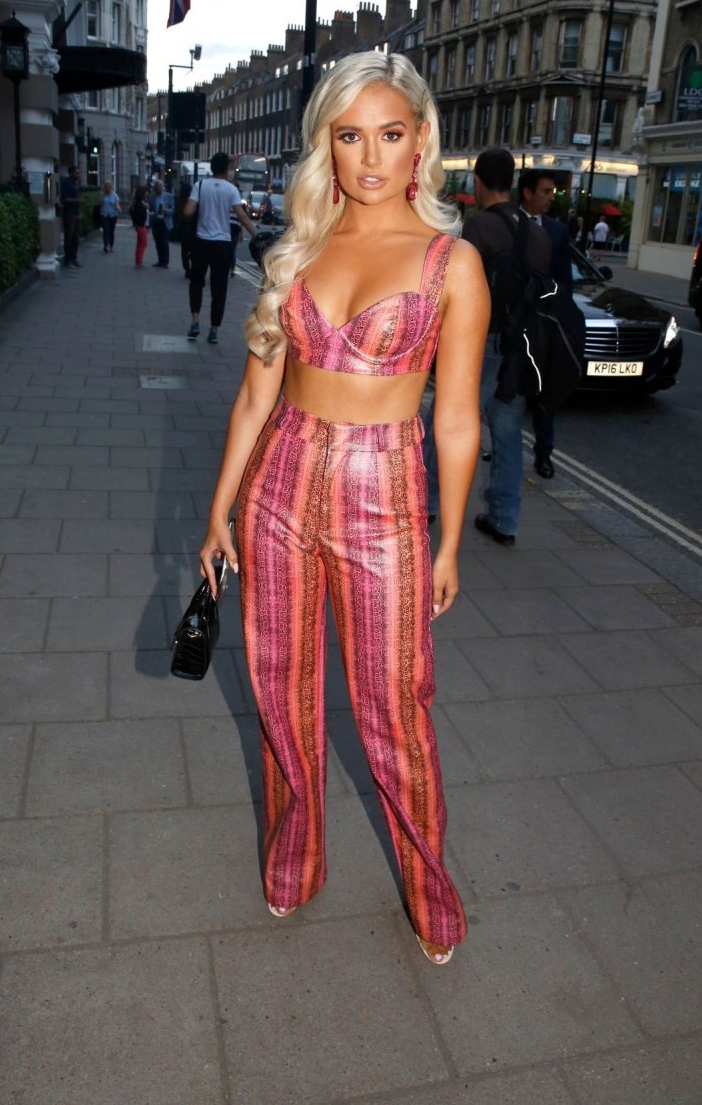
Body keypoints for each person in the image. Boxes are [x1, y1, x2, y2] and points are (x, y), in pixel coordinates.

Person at [199, 52, 489, 965]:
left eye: (389, 134)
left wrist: (448, 542)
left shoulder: (453, 264)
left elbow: (456, 419)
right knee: (278, 692)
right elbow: (256, 396)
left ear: (420, 141)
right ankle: (296, 858)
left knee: (394, 710)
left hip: (385, 499)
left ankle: (430, 892)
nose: (370, 157)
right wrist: (218, 512)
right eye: (349, 135)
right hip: (278, 489)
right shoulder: (297, 251)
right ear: (326, 144)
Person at [461, 148, 552, 546]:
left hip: (479, 342)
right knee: (508, 434)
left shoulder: (478, 227)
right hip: (520, 349)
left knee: (448, 421)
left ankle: (426, 502)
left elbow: (463, 291)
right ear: (513, 184)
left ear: (478, 183)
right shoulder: (538, 234)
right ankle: (503, 520)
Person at [518, 168, 573, 480]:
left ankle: (543, 454)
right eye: (546, 191)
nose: (552, 197)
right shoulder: (509, 223)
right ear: (528, 193)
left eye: (553, 191)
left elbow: (564, 281)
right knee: (509, 392)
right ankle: (501, 446)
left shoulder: (557, 231)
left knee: (544, 392)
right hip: (513, 321)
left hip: (544, 324)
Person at [183, 152, 257, 343]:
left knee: (196, 283)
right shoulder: (231, 190)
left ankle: (195, 321)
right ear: (226, 169)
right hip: (222, 244)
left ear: (212, 167)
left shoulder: (200, 186)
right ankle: (214, 330)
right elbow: (242, 216)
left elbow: (188, 211)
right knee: (219, 288)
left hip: (201, 242)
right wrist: (257, 235)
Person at [61, 165, 82, 269]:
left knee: (75, 238)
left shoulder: (75, 184)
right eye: (76, 173)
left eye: (79, 173)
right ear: (71, 173)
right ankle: (68, 260)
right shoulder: (66, 184)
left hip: (75, 213)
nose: (78, 175)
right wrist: (78, 200)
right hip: (69, 213)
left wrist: (79, 211)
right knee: (69, 237)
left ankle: (74, 259)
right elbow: (64, 199)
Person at [150, 178, 171, 267]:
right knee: (158, 242)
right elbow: (150, 208)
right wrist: (151, 212)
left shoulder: (169, 196)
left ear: (163, 187)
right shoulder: (151, 196)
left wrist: (166, 210)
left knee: (164, 242)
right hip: (156, 221)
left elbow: (173, 209)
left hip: (164, 222)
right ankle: (160, 261)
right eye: (158, 187)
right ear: (155, 188)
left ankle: (165, 262)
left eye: (161, 186)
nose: (160, 188)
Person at [98, 180, 121, 254]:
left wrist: (118, 208)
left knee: (111, 231)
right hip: (104, 215)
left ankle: (111, 246)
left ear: (111, 187)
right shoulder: (102, 194)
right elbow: (99, 204)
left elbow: (117, 204)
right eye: (106, 187)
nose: (107, 188)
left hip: (113, 215)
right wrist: (102, 197)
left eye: (109, 187)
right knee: (106, 230)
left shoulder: (115, 195)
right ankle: (106, 246)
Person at [130, 185, 150, 268]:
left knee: (140, 243)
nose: (147, 193)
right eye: (146, 192)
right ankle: (139, 261)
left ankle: (138, 261)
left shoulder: (138, 202)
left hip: (140, 224)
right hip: (141, 225)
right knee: (144, 243)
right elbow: (139, 214)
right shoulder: (139, 203)